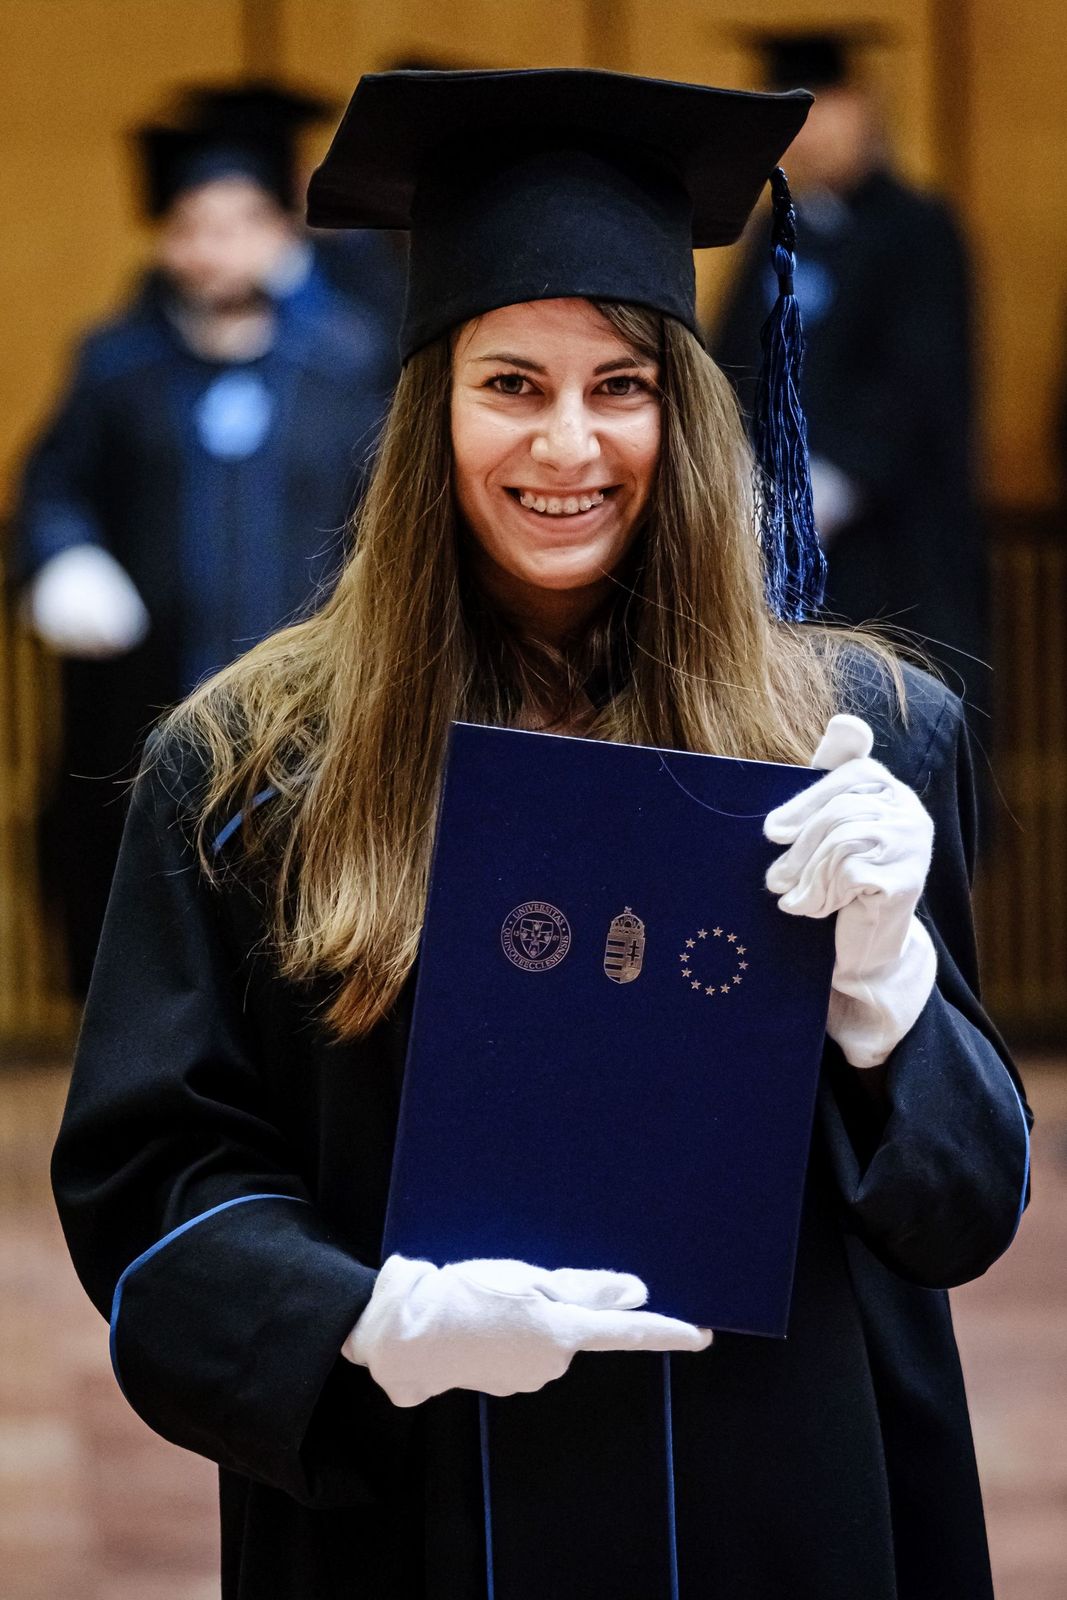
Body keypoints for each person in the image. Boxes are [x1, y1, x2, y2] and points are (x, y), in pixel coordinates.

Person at [51, 68, 1030, 1600]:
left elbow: (961, 1213)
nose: (567, 443)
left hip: (783, 1493)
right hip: (416, 1499)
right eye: (510, 383)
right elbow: (152, 1179)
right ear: (427, 410)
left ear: (682, 412)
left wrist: (884, 990)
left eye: (618, 385)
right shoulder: (248, 771)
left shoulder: (859, 743)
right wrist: (364, 1320)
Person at [15, 97, 394, 993]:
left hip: (308, 713)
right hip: (143, 713)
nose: (215, 248)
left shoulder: (348, 362)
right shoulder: (116, 365)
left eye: (239, 224)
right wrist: (65, 555)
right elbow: (53, 487)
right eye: (193, 227)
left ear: (281, 228)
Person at [712, 29, 987, 716]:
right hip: (776, 552)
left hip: (893, 553)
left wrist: (818, 489)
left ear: (864, 108)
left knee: (894, 722)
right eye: (789, 114)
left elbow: (917, 385)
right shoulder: (772, 232)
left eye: (823, 107)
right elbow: (729, 361)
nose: (807, 134)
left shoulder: (918, 229)